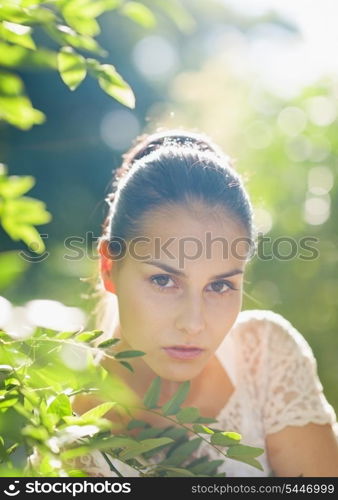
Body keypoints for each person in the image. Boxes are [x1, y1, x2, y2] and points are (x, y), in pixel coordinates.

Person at [71, 129, 338, 477]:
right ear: (110, 268)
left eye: (220, 285)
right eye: (164, 280)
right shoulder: (66, 426)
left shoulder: (265, 357)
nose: (194, 323)